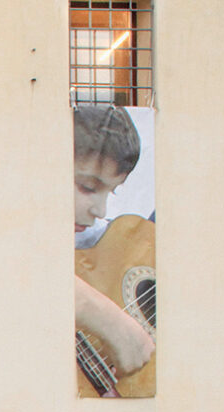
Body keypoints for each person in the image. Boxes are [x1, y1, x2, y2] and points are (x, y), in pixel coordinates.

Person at [73, 104, 154, 382]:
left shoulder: (103, 238)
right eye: (87, 187)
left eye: (111, 191)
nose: (100, 210)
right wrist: (112, 323)